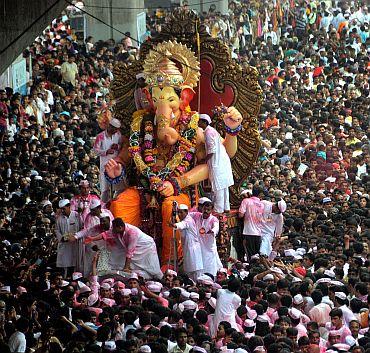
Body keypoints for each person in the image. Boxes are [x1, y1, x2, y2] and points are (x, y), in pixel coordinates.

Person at [198, 114, 234, 214]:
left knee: (219, 186)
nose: (198, 123)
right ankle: (226, 207)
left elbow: (211, 150)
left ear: (204, 122)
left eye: (199, 121)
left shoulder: (209, 132)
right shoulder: (211, 130)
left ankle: (219, 209)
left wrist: (204, 160)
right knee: (224, 186)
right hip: (222, 160)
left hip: (217, 161)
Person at [93, 117, 123, 202]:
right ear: (110, 126)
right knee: (105, 189)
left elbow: (121, 145)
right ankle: (103, 206)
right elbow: (95, 150)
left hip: (116, 164)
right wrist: (106, 152)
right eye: (115, 129)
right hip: (104, 165)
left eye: (117, 129)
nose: (116, 131)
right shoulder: (100, 136)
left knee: (117, 188)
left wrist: (117, 147)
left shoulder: (118, 135)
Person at [171, 204, 203, 280]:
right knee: (189, 270)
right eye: (178, 212)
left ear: (186, 212)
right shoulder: (185, 219)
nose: (179, 214)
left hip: (193, 249)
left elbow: (182, 225)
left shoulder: (188, 220)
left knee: (195, 271)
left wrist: (175, 225)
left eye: (181, 212)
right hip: (187, 248)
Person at [191, 201, 222, 276]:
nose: (206, 211)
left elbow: (216, 227)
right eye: (205, 209)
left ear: (212, 210)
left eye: (208, 210)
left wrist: (212, 231)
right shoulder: (197, 215)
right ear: (202, 208)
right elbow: (187, 215)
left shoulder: (213, 219)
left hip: (208, 247)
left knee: (209, 264)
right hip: (199, 245)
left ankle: (210, 278)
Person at [55, 199, 82, 277]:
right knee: (64, 264)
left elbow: (82, 227)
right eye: (61, 209)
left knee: (75, 263)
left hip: (75, 244)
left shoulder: (77, 216)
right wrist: (61, 238)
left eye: (64, 208)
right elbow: (57, 230)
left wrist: (76, 236)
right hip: (64, 245)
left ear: (69, 206)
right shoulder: (59, 219)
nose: (62, 210)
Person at [238, 186, 264, 260]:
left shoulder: (246, 201)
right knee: (256, 255)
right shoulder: (261, 204)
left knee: (250, 255)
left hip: (249, 231)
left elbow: (240, 215)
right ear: (260, 194)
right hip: (258, 232)